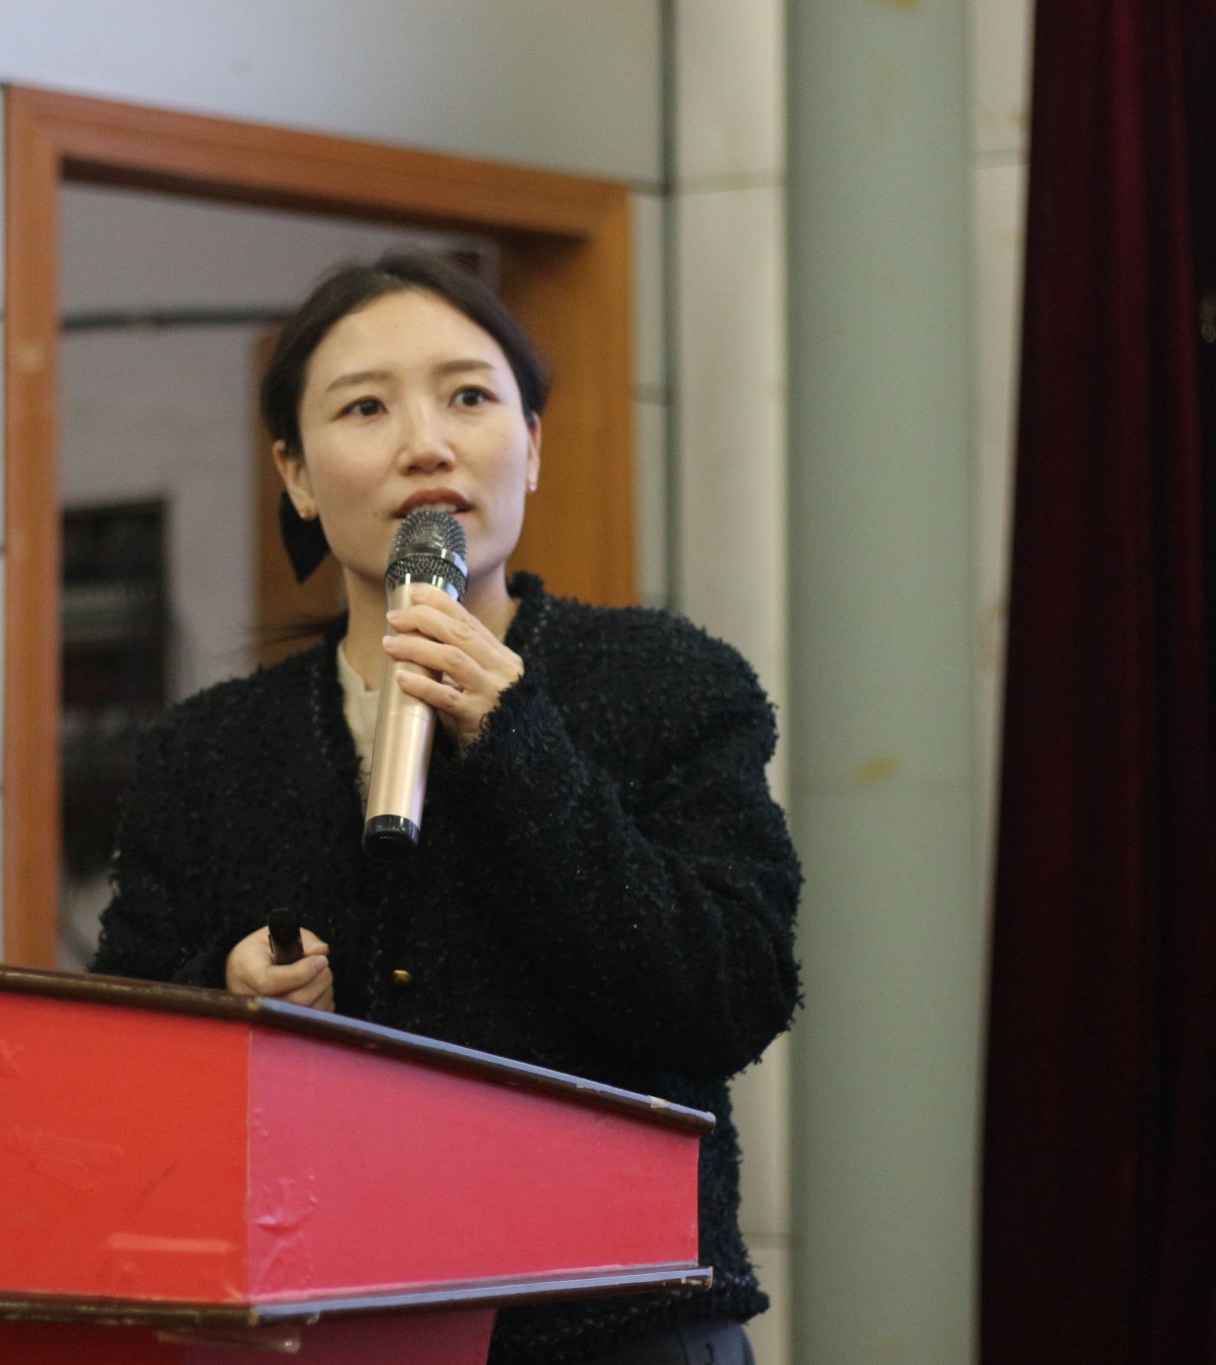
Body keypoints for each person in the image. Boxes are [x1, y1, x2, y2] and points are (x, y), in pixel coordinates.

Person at [91, 249, 800, 1365]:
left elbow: (729, 994)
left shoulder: (671, 683)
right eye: (365, 408)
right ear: (295, 475)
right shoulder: (208, 749)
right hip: (315, 1326)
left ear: (532, 445)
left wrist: (517, 742)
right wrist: (227, 990)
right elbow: (119, 1057)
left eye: (469, 397)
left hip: (618, 1325)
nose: (426, 443)